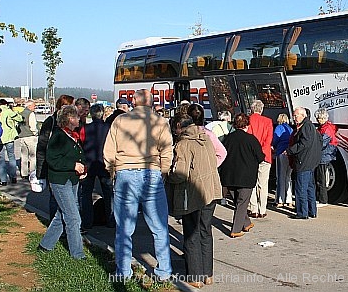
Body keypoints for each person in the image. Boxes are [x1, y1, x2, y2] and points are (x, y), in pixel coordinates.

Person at [103, 89, 173, 281]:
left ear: (133, 101)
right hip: (151, 172)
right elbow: (167, 151)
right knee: (159, 227)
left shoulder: (120, 121)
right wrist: (163, 171)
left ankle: (123, 271)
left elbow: (109, 151)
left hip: (125, 173)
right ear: (151, 102)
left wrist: (112, 172)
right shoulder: (160, 122)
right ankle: (164, 271)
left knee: (124, 227)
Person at [168, 114, 222, 288]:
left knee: (191, 234)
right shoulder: (205, 139)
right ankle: (208, 274)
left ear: (178, 126)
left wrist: (168, 175)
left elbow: (180, 174)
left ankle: (195, 276)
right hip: (211, 191)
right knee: (206, 231)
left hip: (193, 194)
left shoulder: (183, 144)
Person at [37, 105, 87, 259]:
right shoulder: (59, 136)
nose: (79, 119)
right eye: (77, 117)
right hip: (60, 181)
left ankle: (45, 245)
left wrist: (82, 169)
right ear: (70, 119)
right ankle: (77, 254)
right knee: (73, 217)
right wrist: (73, 166)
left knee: (62, 214)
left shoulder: (72, 135)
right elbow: (52, 160)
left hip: (71, 179)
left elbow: (77, 155)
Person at [220, 113, 264, 238]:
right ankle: (236, 229)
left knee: (239, 202)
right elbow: (260, 157)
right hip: (246, 176)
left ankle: (246, 223)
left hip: (229, 176)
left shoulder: (227, 138)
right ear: (247, 125)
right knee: (242, 203)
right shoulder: (251, 139)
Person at [36, 94, 75, 221]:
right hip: (54, 166)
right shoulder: (51, 121)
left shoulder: (72, 123)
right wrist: (40, 171)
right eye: (70, 105)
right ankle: (55, 225)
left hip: (69, 167)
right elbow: (42, 146)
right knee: (55, 198)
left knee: (68, 200)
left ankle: (64, 226)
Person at [80, 104, 114, 231]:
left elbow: (81, 144)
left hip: (88, 164)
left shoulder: (85, 128)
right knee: (108, 193)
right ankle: (111, 220)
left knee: (86, 194)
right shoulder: (108, 128)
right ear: (103, 114)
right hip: (104, 163)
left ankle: (87, 221)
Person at [285, 107, 321, 220]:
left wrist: (290, 150)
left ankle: (302, 212)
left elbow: (304, 143)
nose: (294, 118)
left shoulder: (306, 126)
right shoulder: (310, 126)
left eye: (296, 116)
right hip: (310, 161)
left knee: (301, 188)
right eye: (294, 116)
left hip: (304, 161)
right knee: (309, 187)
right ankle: (312, 211)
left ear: (303, 115)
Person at [247, 99, 273, 219]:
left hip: (251, 156)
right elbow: (268, 140)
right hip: (265, 155)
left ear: (252, 109)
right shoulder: (268, 121)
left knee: (252, 182)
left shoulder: (249, 120)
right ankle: (262, 209)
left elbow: (249, 138)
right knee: (263, 184)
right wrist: (262, 152)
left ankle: (253, 208)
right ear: (261, 109)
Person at [315, 108, 338, 207]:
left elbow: (322, 143)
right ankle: (321, 198)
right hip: (325, 154)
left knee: (321, 178)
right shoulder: (326, 127)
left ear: (323, 118)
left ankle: (323, 200)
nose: (317, 120)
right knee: (321, 177)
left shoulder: (326, 129)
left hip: (324, 155)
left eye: (319, 118)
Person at [0, 98, 22, 185]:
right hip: (9, 137)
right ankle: (13, 177)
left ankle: (3, 180)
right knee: (11, 156)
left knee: (1, 158)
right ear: (6, 104)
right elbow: (19, 119)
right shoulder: (8, 111)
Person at [272, 113, 293, 208]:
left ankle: (280, 199)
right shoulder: (290, 129)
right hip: (289, 153)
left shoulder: (279, 128)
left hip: (281, 152)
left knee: (280, 176)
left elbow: (275, 140)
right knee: (288, 177)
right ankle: (289, 200)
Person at [17, 100, 38, 179]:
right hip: (30, 136)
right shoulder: (31, 114)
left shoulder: (21, 113)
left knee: (24, 156)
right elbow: (32, 126)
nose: (34, 107)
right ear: (29, 106)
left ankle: (24, 173)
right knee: (33, 156)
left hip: (22, 136)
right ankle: (32, 173)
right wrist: (36, 133)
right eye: (34, 106)